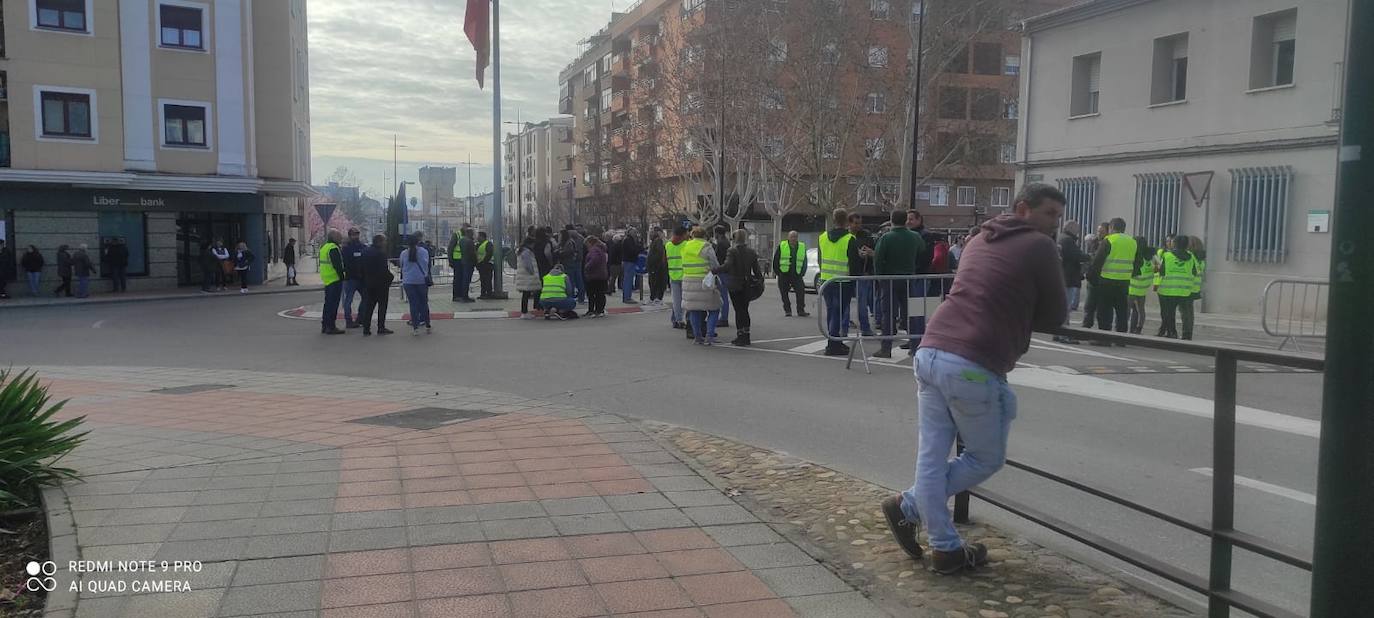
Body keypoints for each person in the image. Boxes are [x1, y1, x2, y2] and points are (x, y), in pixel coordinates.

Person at [881, 184, 1067, 575]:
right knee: (985, 457)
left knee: (931, 455)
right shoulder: (1040, 246)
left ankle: (944, 545)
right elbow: (1055, 317)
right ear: (1023, 208)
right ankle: (911, 508)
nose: (1055, 223)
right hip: (972, 360)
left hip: (931, 349)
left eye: (1057, 215)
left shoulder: (979, 237)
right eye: (1049, 213)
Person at [873, 210, 924, 359]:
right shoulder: (915, 237)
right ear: (905, 221)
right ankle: (915, 346)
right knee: (913, 314)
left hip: (890, 280)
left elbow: (878, 260)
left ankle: (886, 348)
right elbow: (922, 250)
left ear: (891, 220)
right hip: (909, 278)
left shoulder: (886, 238)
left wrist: (880, 278)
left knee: (888, 314)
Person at [1086, 218, 1136, 338]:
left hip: (1107, 280)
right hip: (1124, 281)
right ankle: (1121, 338)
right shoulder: (1132, 241)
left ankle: (1104, 338)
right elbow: (1137, 262)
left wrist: (1091, 277)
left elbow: (1098, 261)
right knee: (1121, 311)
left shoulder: (1109, 240)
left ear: (1111, 228)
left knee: (1105, 311)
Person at [718, 229, 763, 346]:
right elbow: (757, 270)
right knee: (745, 309)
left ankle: (740, 335)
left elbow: (727, 265)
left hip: (734, 284)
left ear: (735, 239)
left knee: (738, 310)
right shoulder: (751, 252)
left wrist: (715, 270)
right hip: (747, 284)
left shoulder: (732, 251)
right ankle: (746, 335)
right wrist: (759, 281)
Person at [819, 209, 854, 356]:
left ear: (833, 219)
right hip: (843, 281)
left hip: (826, 280)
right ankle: (833, 344)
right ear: (846, 221)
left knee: (831, 312)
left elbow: (820, 259)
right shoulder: (850, 239)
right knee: (838, 312)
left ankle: (834, 340)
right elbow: (854, 264)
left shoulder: (823, 237)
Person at [681, 227, 722, 344]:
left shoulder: (686, 246)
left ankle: (697, 336)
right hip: (705, 282)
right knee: (714, 308)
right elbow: (715, 264)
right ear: (704, 236)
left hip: (688, 281)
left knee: (694, 310)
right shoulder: (707, 247)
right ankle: (709, 335)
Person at [1156, 234, 1199, 340]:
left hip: (1168, 290)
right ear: (1186, 245)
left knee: (1169, 313)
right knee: (1186, 314)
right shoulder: (1191, 256)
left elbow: (1160, 271)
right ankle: (1187, 334)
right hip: (1185, 290)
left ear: (1174, 243)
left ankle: (1172, 332)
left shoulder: (1167, 256)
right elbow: (1195, 272)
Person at [1054, 221, 1091, 343]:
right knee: (1066, 308)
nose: (1078, 231)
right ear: (1071, 229)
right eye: (1077, 229)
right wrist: (1090, 256)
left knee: (1062, 307)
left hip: (1062, 277)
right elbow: (1078, 255)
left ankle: (1058, 333)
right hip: (1068, 278)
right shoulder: (1068, 241)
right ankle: (1064, 335)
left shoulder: (1061, 238)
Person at [357, 234, 395, 336]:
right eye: (384, 241)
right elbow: (384, 270)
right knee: (382, 306)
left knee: (369, 306)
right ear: (379, 242)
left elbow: (361, 268)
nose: (385, 243)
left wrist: (364, 280)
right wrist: (391, 278)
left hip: (369, 283)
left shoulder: (364, 252)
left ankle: (366, 328)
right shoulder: (381, 253)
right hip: (381, 284)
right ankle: (381, 327)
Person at [848, 214, 876, 337]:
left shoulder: (866, 235)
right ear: (849, 223)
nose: (858, 226)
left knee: (862, 303)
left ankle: (865, 327)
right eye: (855, 223)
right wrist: (856, 254)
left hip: (862, 273)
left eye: (860, 223)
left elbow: (874, 251)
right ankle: (845, 325)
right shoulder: (846, 237)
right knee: (845, 302)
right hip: (847, 273)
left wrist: (869, 254)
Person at [400, 231, 433, 334]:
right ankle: (427, 324)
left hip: (408, 281)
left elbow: (401, 266)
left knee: (413, 304)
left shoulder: (404, 253)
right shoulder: (423, 251)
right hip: (421, 280)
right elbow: (427, 263)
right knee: (424, 303)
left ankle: (415, 328)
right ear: (418, 241)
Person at [1080, 222, 1110, 328]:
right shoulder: (1095, 242)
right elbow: (1090, 258)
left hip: (1104, 280)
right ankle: (1085, 329)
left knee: (1102, 310)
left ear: (1108, 231)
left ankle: (1102, 334)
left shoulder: (1109, 243)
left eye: (1101, 231)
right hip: (1092, 279)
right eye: (1098, 231)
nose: (1099, 233)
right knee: (1089, 307)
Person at [773, 230, 809, 317]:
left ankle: (801, 310)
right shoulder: (782, 246)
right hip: (784, 274)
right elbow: (776, 260)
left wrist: (802, 272)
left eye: (795, 237)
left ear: (797, 238)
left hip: (797, 274)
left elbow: (804, 260)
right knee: (784, 293)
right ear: (788, 237)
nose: (793, 238)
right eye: (792, 237)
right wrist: (778, 272)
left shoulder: (801, 246)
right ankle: (787, 310)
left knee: (800, 292)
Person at [319, 229, 347, 334]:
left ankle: (325, 325)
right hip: (334, 279)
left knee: (327, 304)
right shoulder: (333, 248)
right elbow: (337, 265)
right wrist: (342, 276)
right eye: (339, 235)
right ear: (334, 237)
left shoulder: (324, 247)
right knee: (333, 304)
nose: (341, 237)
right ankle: (331, 326)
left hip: (327, 279)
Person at [1127, 236, 1154, 335]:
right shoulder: (1150, 256)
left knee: (1127, 310)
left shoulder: (1135, 255)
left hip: (1132, 287)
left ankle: (1123, 327)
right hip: (1143, 288)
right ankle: (1138, 328)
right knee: (1141, 310)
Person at [341, 228, 366, 326]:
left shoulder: (362, 246)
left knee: (366, 297)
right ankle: (349, 321)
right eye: (354, 234)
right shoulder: (346, 248)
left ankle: (360, 318)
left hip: (361, 278)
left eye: (357, 234)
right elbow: (347, 263)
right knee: (348, 300)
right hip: (351, 278)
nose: (356, 236)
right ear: (350, 236)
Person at [665, 227, 688, 330]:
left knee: (676, 300)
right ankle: (679, 320)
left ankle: (676, 319)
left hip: (673, 275)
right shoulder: (686, 245)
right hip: (684, 275)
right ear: (682, 235)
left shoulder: (668, 245)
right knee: (683, 301)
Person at [515, 237, 542, 319]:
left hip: (524, 276)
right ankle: (524, 312)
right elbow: (528, 264)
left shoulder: (521, 251)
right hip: (527, 276)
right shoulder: (526, 252)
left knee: (525, 295)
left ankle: (524, 312)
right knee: (526, 295)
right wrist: (532, 272)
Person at [584, 235, 610, 317]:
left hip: (594, 275)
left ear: (590, 243)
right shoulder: (601, 249)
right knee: (600, 294)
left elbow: (594, 260)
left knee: (592, 294)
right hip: (602, 275)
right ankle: (600, 310)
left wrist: (587, 267)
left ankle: (593, 310)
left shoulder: (594, 250)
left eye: (587, 244)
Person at [712, 225, 731, 327]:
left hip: (722, 272)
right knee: (724, 295)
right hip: (726, 272)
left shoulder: (721, 244)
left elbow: (717, 258)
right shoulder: (726, 242)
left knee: (723, 296)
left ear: (717, 233)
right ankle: (724, 317)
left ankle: (724, 318)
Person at [559, 228, 585, 303]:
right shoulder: (580, 237)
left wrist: (560, 253)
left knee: (571, 281)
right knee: (579, 280)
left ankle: (571, 298)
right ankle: (581, 297)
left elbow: (568, 252)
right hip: (578, 261)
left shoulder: (569, 242)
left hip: (569, 263)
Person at [620, 227, 642, 304]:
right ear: (630, 232)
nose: (635, 234)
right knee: (628, 280)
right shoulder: (628, 240)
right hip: (629, 261)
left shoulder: (628, 240)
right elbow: (632, 250)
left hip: (629, 261)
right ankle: (627, 297)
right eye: (634, 232)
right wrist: (639, 249)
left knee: (628, 279)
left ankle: (627, 296)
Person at [647, 229, 668, 306]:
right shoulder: (655, 242)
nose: (650, 235)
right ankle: (654, 298)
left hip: (657, 267)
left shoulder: (658, 241)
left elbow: (658, 254)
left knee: (656, 282)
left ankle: (657, 298)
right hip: (656, 266)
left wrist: (652, 263)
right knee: (654, 282)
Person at [475, 231, 496, 299]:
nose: (477, 237)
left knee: (487, 280)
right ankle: (483, 294)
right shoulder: (478, 244)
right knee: (483, 280)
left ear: (482, 237)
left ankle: (488, 294)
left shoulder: (488, 244)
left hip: (487, 265)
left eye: (478, 236)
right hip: (481, 265)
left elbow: (489, 253)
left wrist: (484, 262)